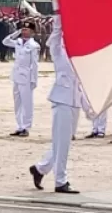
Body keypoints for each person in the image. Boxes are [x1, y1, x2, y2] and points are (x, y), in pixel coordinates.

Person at [28, 13, 82, 194]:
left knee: (63, 141)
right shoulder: (59, 52)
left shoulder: (78, 54)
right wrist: (60, 13)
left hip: (75, 101)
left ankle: (40, 168)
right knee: (63, 143)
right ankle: (61, 181)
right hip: (62, 100)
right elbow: (56, 36)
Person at [4, 21, 41, 137]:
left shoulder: (34, 46)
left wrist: (34, 80)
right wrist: (17, 32)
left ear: (32, 32)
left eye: (27, 30)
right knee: (17, 103)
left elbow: (34, 64)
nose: (25, 32)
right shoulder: (18, 42)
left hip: (26, 77)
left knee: (27, 103)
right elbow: (5, 41)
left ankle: (26, 127)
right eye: (23, 30)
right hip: (16, 75)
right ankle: (19, 126)